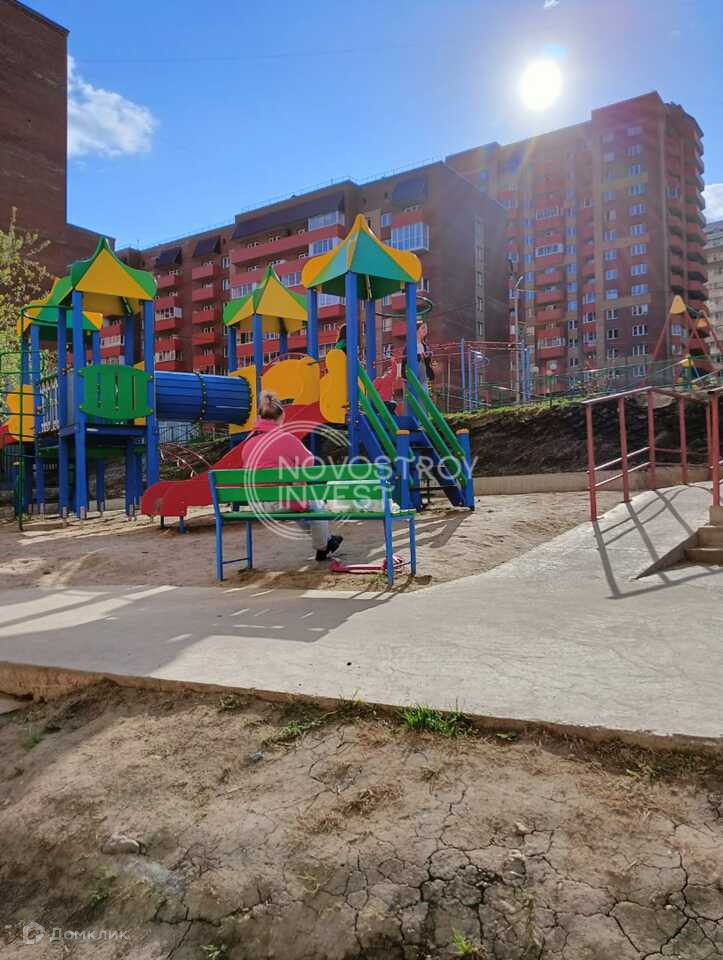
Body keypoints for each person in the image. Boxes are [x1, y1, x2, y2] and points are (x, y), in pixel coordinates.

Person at [241, 391, 343, 561]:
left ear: (259, 418)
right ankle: (323, 545)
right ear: (281, 418)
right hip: (284, 501)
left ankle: (327, 540)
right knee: (316, 506)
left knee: (301, 508)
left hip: (258, 503)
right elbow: (309, 462)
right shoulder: (286, 438)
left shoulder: (248, 443)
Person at [402, 321, 435, 391]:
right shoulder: (410, 345)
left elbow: (427, 363)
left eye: (426, 328)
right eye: (423, 328)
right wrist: (420, 356)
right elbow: (406, 359)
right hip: (413, 375)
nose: (425, 330)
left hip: (423, 377)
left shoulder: (425, 346)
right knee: (414, 393)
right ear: (416, 330)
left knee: (424, 392)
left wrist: (428, 357)